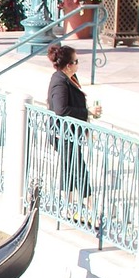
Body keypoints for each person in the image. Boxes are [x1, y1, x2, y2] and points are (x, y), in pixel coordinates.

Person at [46, 44, 102, 217]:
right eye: (76, 61)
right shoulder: (60, 82)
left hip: (71, 132)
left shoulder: (70, 77)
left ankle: (70, 204)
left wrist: (87, 118)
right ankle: (86, 205)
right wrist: (88, 112)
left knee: (71, 166)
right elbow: (61, 110)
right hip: (62, 133)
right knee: (76, 167)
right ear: (68, 65)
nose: (78, 64)